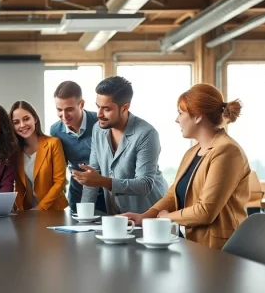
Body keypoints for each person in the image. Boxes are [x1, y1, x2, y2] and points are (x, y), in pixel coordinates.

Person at [122, 84, 250, 250]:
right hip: (196, 246)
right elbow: (172, 196)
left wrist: (167, 218)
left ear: (197, 116)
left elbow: (206, 211)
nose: (177, 119)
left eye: (180, 113)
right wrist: (145, 217)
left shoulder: (227, 151)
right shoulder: (192, 152)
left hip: (222, 249)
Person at [74, 76, 168, 215]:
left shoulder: (146, 133)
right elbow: (93, 174)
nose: (99, 114)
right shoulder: (98, 129)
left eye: (106, 109)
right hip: (117, 217)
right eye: (98, 107)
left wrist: (104, 181)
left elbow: (145, 184)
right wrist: (84, 216)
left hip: (149, 215)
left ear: (124, 108)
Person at [50, 81, 106, 213]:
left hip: (105, 191)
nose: (64, 116)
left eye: (69, 109)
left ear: (81, 104)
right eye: (59, 110)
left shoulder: (100, 123)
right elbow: (59, 168)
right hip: (77, 194)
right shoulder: (55, 131)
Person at [10, 100, 69, 211]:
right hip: (26, 211)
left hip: (54, 210)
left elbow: (60, 182)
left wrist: (40, 208)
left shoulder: (53, 143)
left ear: (35, 119)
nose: (22, 125)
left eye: (26, 119)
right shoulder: (15, 151)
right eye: (16, 122)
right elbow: (16, 184)